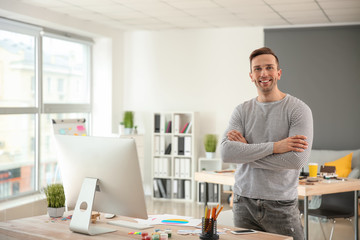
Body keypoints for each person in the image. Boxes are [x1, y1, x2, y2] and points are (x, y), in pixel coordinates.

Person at [221, 47, 313, 240]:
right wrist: (275, 147)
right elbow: (227, 153)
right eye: (257, 69)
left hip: (281, 205)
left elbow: (296, 160)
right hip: (243, 202)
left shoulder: (298, 110)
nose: (263, 73)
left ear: (278, 73)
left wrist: (246, 153)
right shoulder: (241, 111)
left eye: (269, 67)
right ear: (251, 75)